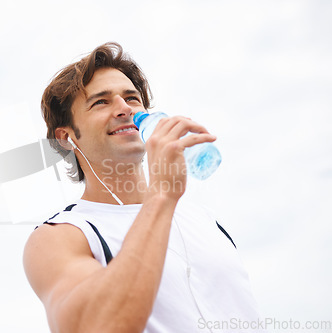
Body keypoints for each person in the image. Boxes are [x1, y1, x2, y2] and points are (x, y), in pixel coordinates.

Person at [23, 42, 261, 333]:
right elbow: (94, 325)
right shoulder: (61, 236)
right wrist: (161, 195)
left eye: (131, 98)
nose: (124, 109)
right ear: (66, 137)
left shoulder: (205, 219)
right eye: (101, 102)